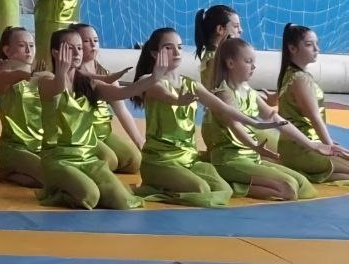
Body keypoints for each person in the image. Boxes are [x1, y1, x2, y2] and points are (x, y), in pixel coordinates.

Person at [131, 27, 283, 206]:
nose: (177, 52)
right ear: (155, 54)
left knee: (225, 191)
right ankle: (157, 188)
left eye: (179, 47)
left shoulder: (191, 84)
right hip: (161, 161)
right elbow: (169, 96)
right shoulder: (148, 81)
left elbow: (223, 108)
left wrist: (254, 125)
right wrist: (179, 100)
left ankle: (171, 187)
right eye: (169, 48)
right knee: (201, 189)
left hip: (189, 159)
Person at [37, 27, 168, 210]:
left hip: (87, 157)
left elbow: (124, 92)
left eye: (79, 48)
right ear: (55, 52)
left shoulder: (89, 83)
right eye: (70, 48)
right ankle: (55, 191)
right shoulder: (46, 80)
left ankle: (85, 186)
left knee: (124, 201)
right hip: (58, 159)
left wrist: (154, 77)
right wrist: (62, 71)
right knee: (89, 196)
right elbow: (58, 88)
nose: (77, 53)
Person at [204, 37, 338, 200]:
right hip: (230, 160)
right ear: (231, 63)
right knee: (287, 189)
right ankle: (229, 182)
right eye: (248, 61)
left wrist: (311, 144)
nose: (253, 67)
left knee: (302, 185)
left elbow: (274, 117)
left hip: (251, 158)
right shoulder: (224, 93)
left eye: (254, 62)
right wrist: (255, 146)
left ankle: (240, 180)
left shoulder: (248, 91)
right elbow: (236, 126)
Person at [276, 24, 349, 182]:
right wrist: (330, 147)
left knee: (342, 173)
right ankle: (307, 166)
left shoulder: (289, 73)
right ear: (292, 48)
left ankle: (308, 171)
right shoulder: (301, 78)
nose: (316, 49)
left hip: (291, 147)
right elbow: (315, 117)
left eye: (317, 43)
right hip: (303, 149)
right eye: (309, 45)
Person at [76, 23, 141, 173]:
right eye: (86, 41)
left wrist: (139, 140)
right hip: (83, 134)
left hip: (104, 132)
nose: (93, 44)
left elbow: (122, 111)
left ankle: (97, 163)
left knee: (134, 161)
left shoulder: (105, 73)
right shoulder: (73, 75)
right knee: (110, 160)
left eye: (95, 40)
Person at [0, 26, 45, 188]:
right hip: (13, 148)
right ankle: (6, 171)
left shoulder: (39, 75)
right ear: (7, 50)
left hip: (40, 147)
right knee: (50, 179)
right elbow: (19, 75)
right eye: (22, 46)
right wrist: (32, 75)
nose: (29, 51)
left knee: (64, 174)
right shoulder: (3, 76)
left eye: (32, 45)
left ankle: (14, 173)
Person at [193, 4, 241, 87]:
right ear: (220, 29)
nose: (240, 30)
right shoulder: (216, 59)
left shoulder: (212, 56)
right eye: (236, 26)